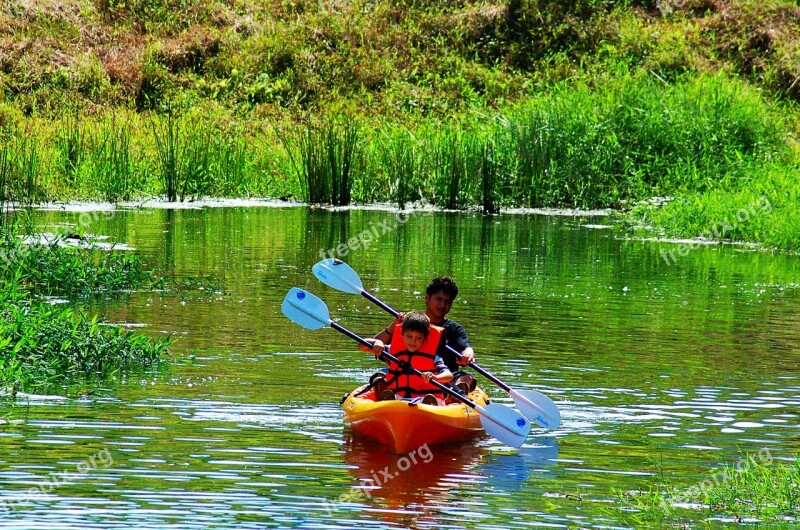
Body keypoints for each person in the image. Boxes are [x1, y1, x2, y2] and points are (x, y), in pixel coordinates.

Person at [371, 276, 476, 394]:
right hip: (405, 376)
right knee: (380, 374)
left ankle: (456, 395)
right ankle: (386, 394)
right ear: (427, 298)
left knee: (465, 377)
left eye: (447, 301)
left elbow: (466, 347)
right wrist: (393, 325)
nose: (442, 305)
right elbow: (372, 346)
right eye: (439, 299)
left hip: (441, 379)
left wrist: (468, 354)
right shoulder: (410, 323)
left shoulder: (454, 329)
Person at [363, 311, 452, 405]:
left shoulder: (434, 356)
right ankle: (388, 401)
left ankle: (427, 405)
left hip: (424, 398)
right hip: (400, 398)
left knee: (427, 400)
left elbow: (449, 375)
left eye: (418, 338)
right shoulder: (392, 351)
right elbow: (362, 345)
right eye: (409, 336)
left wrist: (436, 377)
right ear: (402, 334)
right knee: (392, 396)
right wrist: (378, 342)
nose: (413, 341)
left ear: (425, 339)